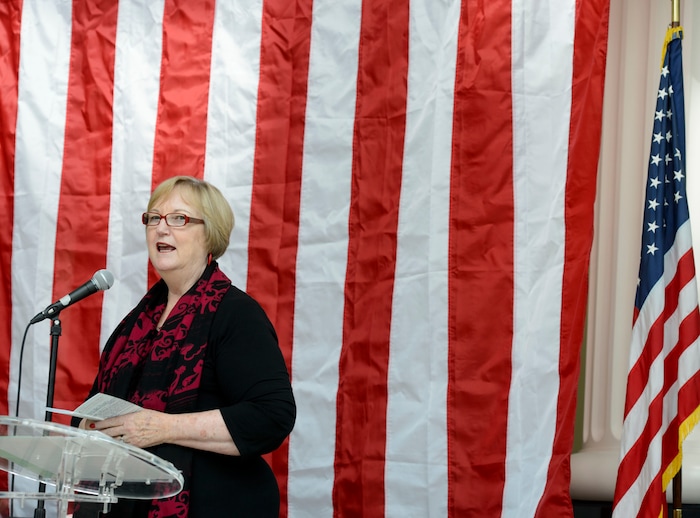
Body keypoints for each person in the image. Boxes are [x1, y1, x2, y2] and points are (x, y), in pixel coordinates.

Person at [73, 176, 296, 517]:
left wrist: (163, 427)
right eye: (154, 218)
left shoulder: (236, 314)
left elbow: (271, 416)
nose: (161, 229)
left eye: (179, 218)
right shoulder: (135, 323)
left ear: (211, 233)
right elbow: (95, 405)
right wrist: (89, 426)